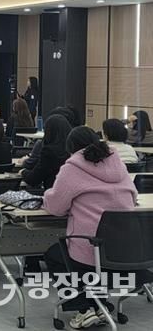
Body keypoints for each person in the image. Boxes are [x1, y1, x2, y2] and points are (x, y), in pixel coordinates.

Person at [43, 126, 137, 329]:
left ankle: (83, 309)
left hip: (92, 250)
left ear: (71, 148)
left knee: (55, 255)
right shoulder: (118, 164)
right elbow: (133, 196)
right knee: (95, 260)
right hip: (125, 251)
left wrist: (46, 196)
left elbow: (56, 207)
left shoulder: (72, 168)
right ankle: (98, 305)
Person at [19, 114, 71, 189]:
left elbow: (34, 179)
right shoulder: (73, 151)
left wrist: (23, 172)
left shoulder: (49, 153)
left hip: (53, 192)